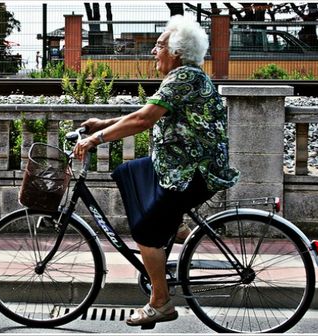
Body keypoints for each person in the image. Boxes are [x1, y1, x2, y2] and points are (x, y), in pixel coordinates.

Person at [74, 14, 240, 328]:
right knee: (129, 171)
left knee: (146, 232)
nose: (154, 51)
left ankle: (160, 302)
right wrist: (103, 124)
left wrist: (96, 139)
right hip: (178, 166)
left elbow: (144, 120)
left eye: (159, 45)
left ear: (176, 52)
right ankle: (175, 226)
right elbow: (146, 112)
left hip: (194, 172)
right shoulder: (182, 77)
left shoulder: (184, 77)